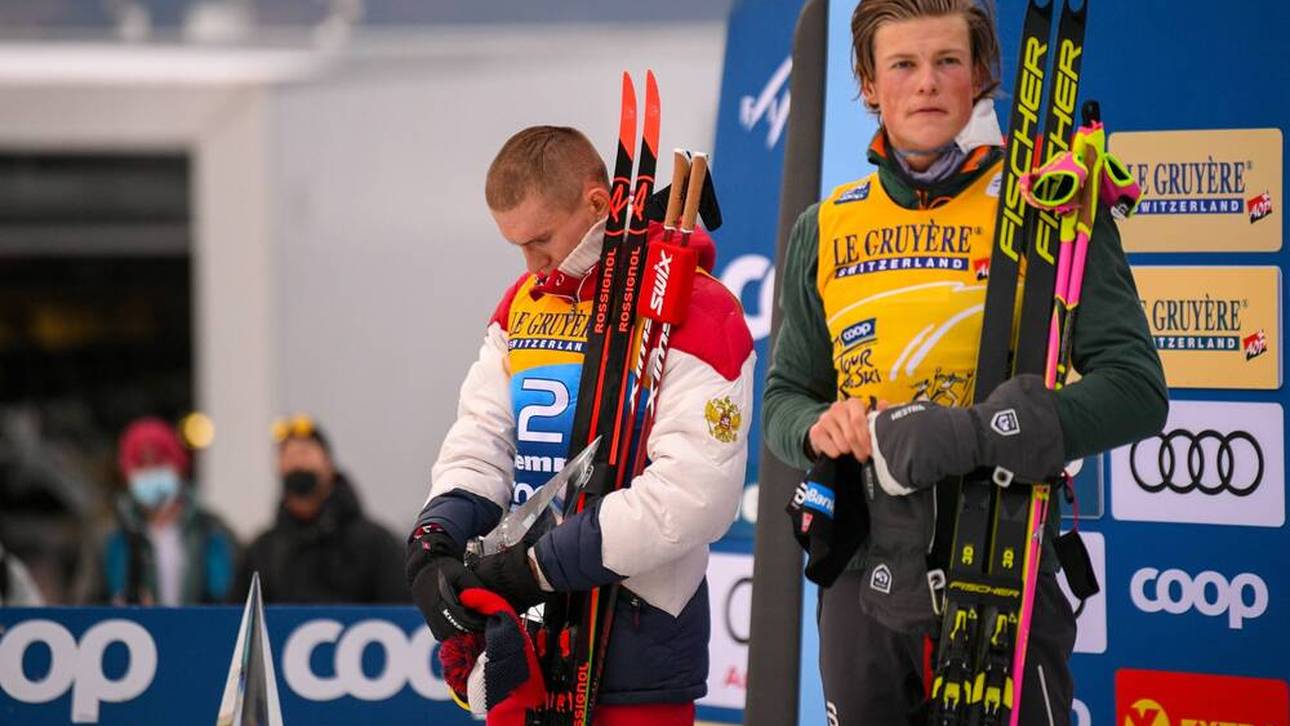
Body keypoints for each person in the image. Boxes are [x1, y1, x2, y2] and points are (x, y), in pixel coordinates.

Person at [762, 1, 1167, 724]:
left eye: (947, 61)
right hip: (865, 564)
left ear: (981, 73)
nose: (927, 85)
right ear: (867, 82)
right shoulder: (824, 226)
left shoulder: (1050, 202)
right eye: (903, 65)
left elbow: (1137, 390)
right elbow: (786, 398)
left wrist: (981, 433)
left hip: (1004, 551)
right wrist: (820, 427)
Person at [405, 126, 754, 723]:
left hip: (639, 645)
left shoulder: (700, 308)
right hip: (528, 645)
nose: (532, 264)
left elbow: (696, 495)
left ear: (597, 203)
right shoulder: (523, 304)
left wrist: (540, 563)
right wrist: (436, 537)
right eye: (516, 245)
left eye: (541, 239)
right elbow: (482, 444)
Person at [233, 414, 406, 604]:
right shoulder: (262, 553)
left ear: (329, 464)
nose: (297, 462)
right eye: (288, 455)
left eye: (305, 452)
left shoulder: (377, 546)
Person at [88, 417, 238, 605]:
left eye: (159, 462)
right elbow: (88, 601)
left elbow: (232, 597)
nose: (150, 471)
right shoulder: (109, 536)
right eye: (141, 464)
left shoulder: (212, 530)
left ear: (178, 467)